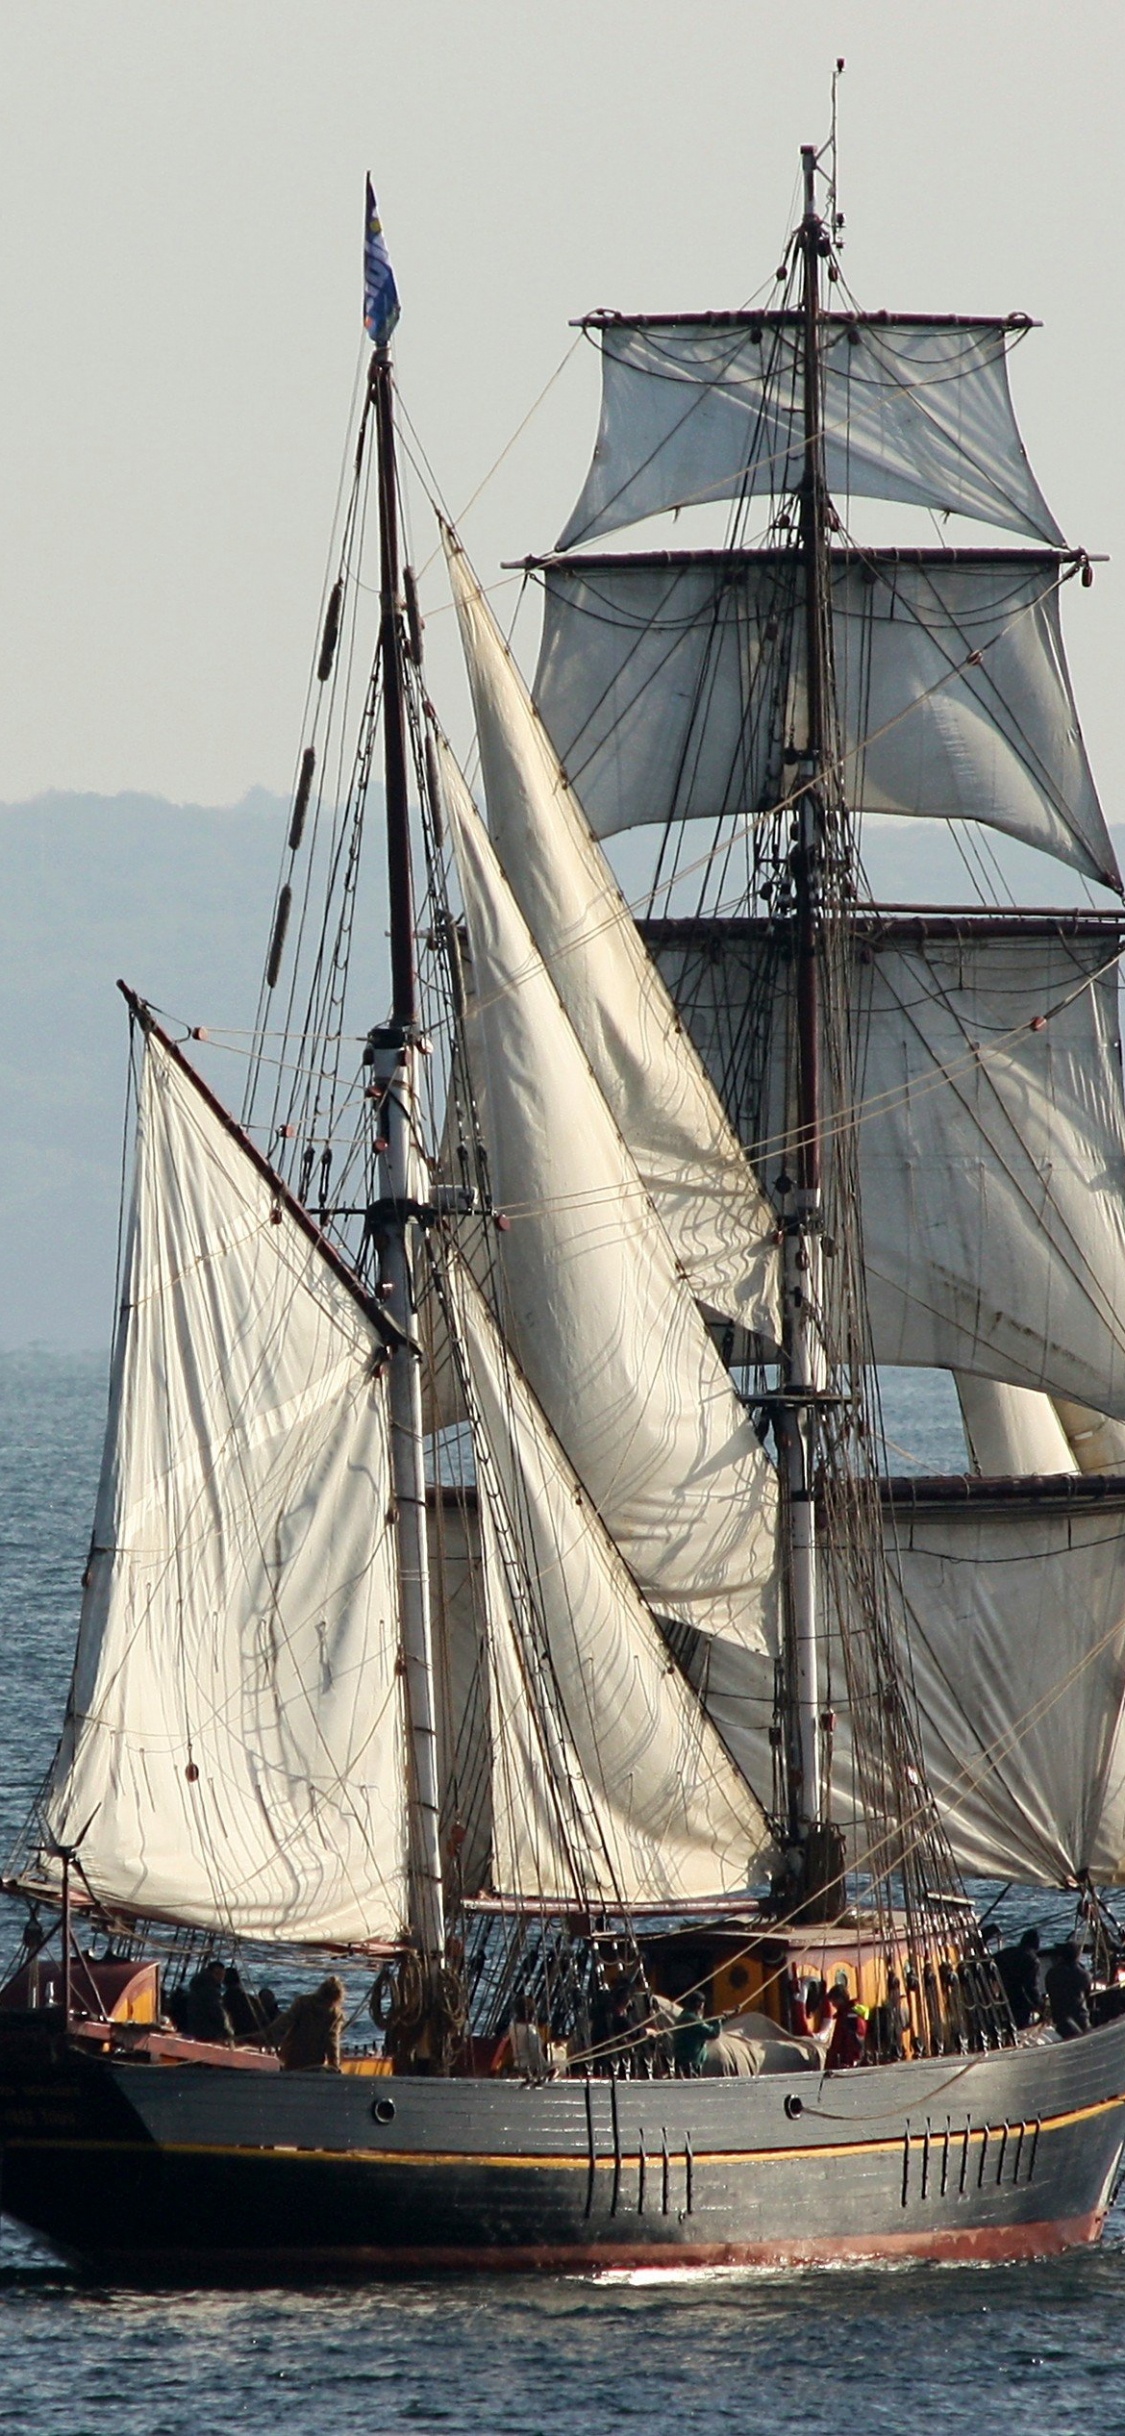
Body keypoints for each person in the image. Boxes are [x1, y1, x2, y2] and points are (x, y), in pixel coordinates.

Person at [269, 1975, 346, 2070]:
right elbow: (332, 2043)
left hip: (292, 2054)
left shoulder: (303, 2002)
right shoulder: (334, 2014)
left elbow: (284, 2023)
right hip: (314, 2061)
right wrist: (334, 2066)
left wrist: (266, 2036)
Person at [994, 1928, 1043, 2030]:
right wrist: (1039, 2004)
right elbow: (1031, 1986)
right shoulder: (1032, 1960)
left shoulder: (1006, 1953)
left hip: (1004, 1995)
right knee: (1020, 2026)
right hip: (1021, 2000)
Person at [1045, 1940, 1092, 2041]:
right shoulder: (1084, 1975)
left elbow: (1049, 1990)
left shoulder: (1052, 1973)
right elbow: (1087, 1994)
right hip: (1081, 2020)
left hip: (1061, 2023)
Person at [672, 1989, 722, 2078]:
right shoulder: (691, 2019)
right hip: (690, 2066)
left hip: (683, 2063)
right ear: (699, 2005)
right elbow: (713, 2033)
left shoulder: (683, 2017)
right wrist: (718, 2021)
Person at [182, 1958, 233, 2044]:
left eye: (222, 1975)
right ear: (211, 1973)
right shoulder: (210, 1992)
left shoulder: (196, 1987)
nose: (221, 1978)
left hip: (194, 2030)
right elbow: (218, 2014)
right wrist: (228, 2032)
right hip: (208, 2035)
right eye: (218, 1974)